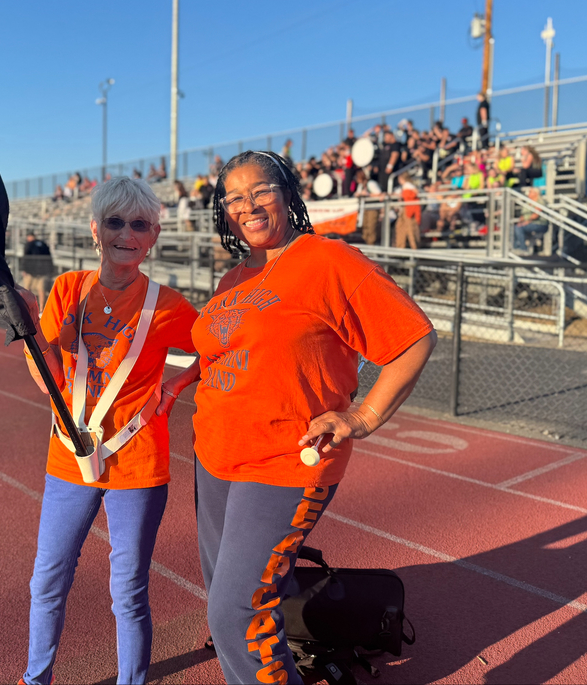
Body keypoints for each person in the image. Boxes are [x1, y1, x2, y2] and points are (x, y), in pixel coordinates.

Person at [161, 150, 435, 685]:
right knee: (231, 592)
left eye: (261, 190)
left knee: (235, 613)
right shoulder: (233, 278)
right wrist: (186, 375)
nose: (249, 204)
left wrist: (363, 416)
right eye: (234, 197)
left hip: (287, 461)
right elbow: (230, 346)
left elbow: (412, 338)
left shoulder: (327, 260)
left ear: (287, 193)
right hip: (216, 455)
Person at [15, 177, 200, 685]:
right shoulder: (68, 288)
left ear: (153, 236)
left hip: (138, 463)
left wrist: (176, 386)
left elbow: (216, 346)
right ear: (96, 229)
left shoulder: (167, 305)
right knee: (48, 580)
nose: (126, 233)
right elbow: (47, 373)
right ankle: (36, 679)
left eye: (138, 224)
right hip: (69, 459)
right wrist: (31, 330)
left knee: (128, 591)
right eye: (115, 222)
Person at [21, 231, 54, 307]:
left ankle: (27, 306)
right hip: (43, 271)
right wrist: (50, 269)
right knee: (41, 289)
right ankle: (42, 308)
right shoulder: (43, 244)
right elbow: (49, 257)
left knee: (27, 289)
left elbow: (25, 257)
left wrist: (24, 269)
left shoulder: (29, 244)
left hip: (30, 271)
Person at [513, 187, 547, 254]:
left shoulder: (540, 202)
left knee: (518, 228)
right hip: (528, 223)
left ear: (535, 193)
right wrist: (522, 221)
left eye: (530, 192)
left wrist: (526, 220)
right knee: (514, 227)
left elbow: (535, 215)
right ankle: (515, 247)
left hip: (539, 224)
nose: (528, 193)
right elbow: (522, 216)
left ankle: (523, 248)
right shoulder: (527, 203)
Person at [353, 168, 383, 245]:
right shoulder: (360, 186)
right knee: (365, 228)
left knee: (371, 227)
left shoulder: (371, 184)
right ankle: (367, 244)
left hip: (373, 208)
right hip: (364, 209)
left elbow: (379, 194)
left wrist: (367, 194)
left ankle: (372, 245)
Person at [394, 172, 421, 249]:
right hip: (405, 209)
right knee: (401, 227)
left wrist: (404, 195)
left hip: (409, 209)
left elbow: (416, 192)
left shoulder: (408, 185)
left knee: (411, 228)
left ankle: (413, 248)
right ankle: (401, 247)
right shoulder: (405, 186)